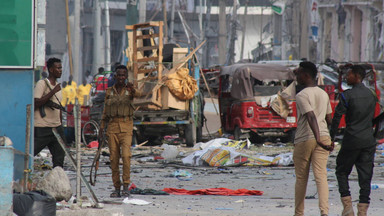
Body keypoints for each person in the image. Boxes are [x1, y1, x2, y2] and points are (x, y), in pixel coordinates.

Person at [330, 65, 377, 216]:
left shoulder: (347, 95)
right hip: (368, 141)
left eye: (349, 75)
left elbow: (337, 117)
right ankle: (362, 211)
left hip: (351, 140)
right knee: (365, 176)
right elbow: (379, 115)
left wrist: (331, 138)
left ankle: (348, 207)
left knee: (342, 171)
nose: (346, 77)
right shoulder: (372, 94)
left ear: (357, 76)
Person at [293, 61, 334, 216]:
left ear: (305, 75)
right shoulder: (323, 94)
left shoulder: (302, 95)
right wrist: (330, 140)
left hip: (307, 138)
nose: (296, 77)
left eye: (298, 74)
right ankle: (324, 212)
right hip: (324, 136)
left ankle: (299, 213)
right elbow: (330, 120)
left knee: (302, 178)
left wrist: (317, 138)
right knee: (321, 176)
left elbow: (310, 116)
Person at [98, 65, 141, 198]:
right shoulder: (109, 91)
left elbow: (138, 95)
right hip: (112, 127)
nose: (121, 78)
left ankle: (126, 186)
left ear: (126, 77)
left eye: (123, 75)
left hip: (126, 126)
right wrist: (101, 127)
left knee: (126, 156)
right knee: (113, 159)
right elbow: (105, 110)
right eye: (119, 75)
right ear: (115, 76)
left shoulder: (130, 90)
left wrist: (132, 88)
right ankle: (117, 187)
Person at [34, 57, 66, 168]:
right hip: (42, 127)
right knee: (30, 153)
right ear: (51, 70)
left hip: (56, 127)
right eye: (58, 68)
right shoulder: (42, 84)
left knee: (59, 158)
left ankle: (57, 182)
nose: (61, 70)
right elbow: (36, 103)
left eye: (61, 68)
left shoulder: (58, 86)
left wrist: (60, 125)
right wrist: (52, 91)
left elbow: (59, 109)